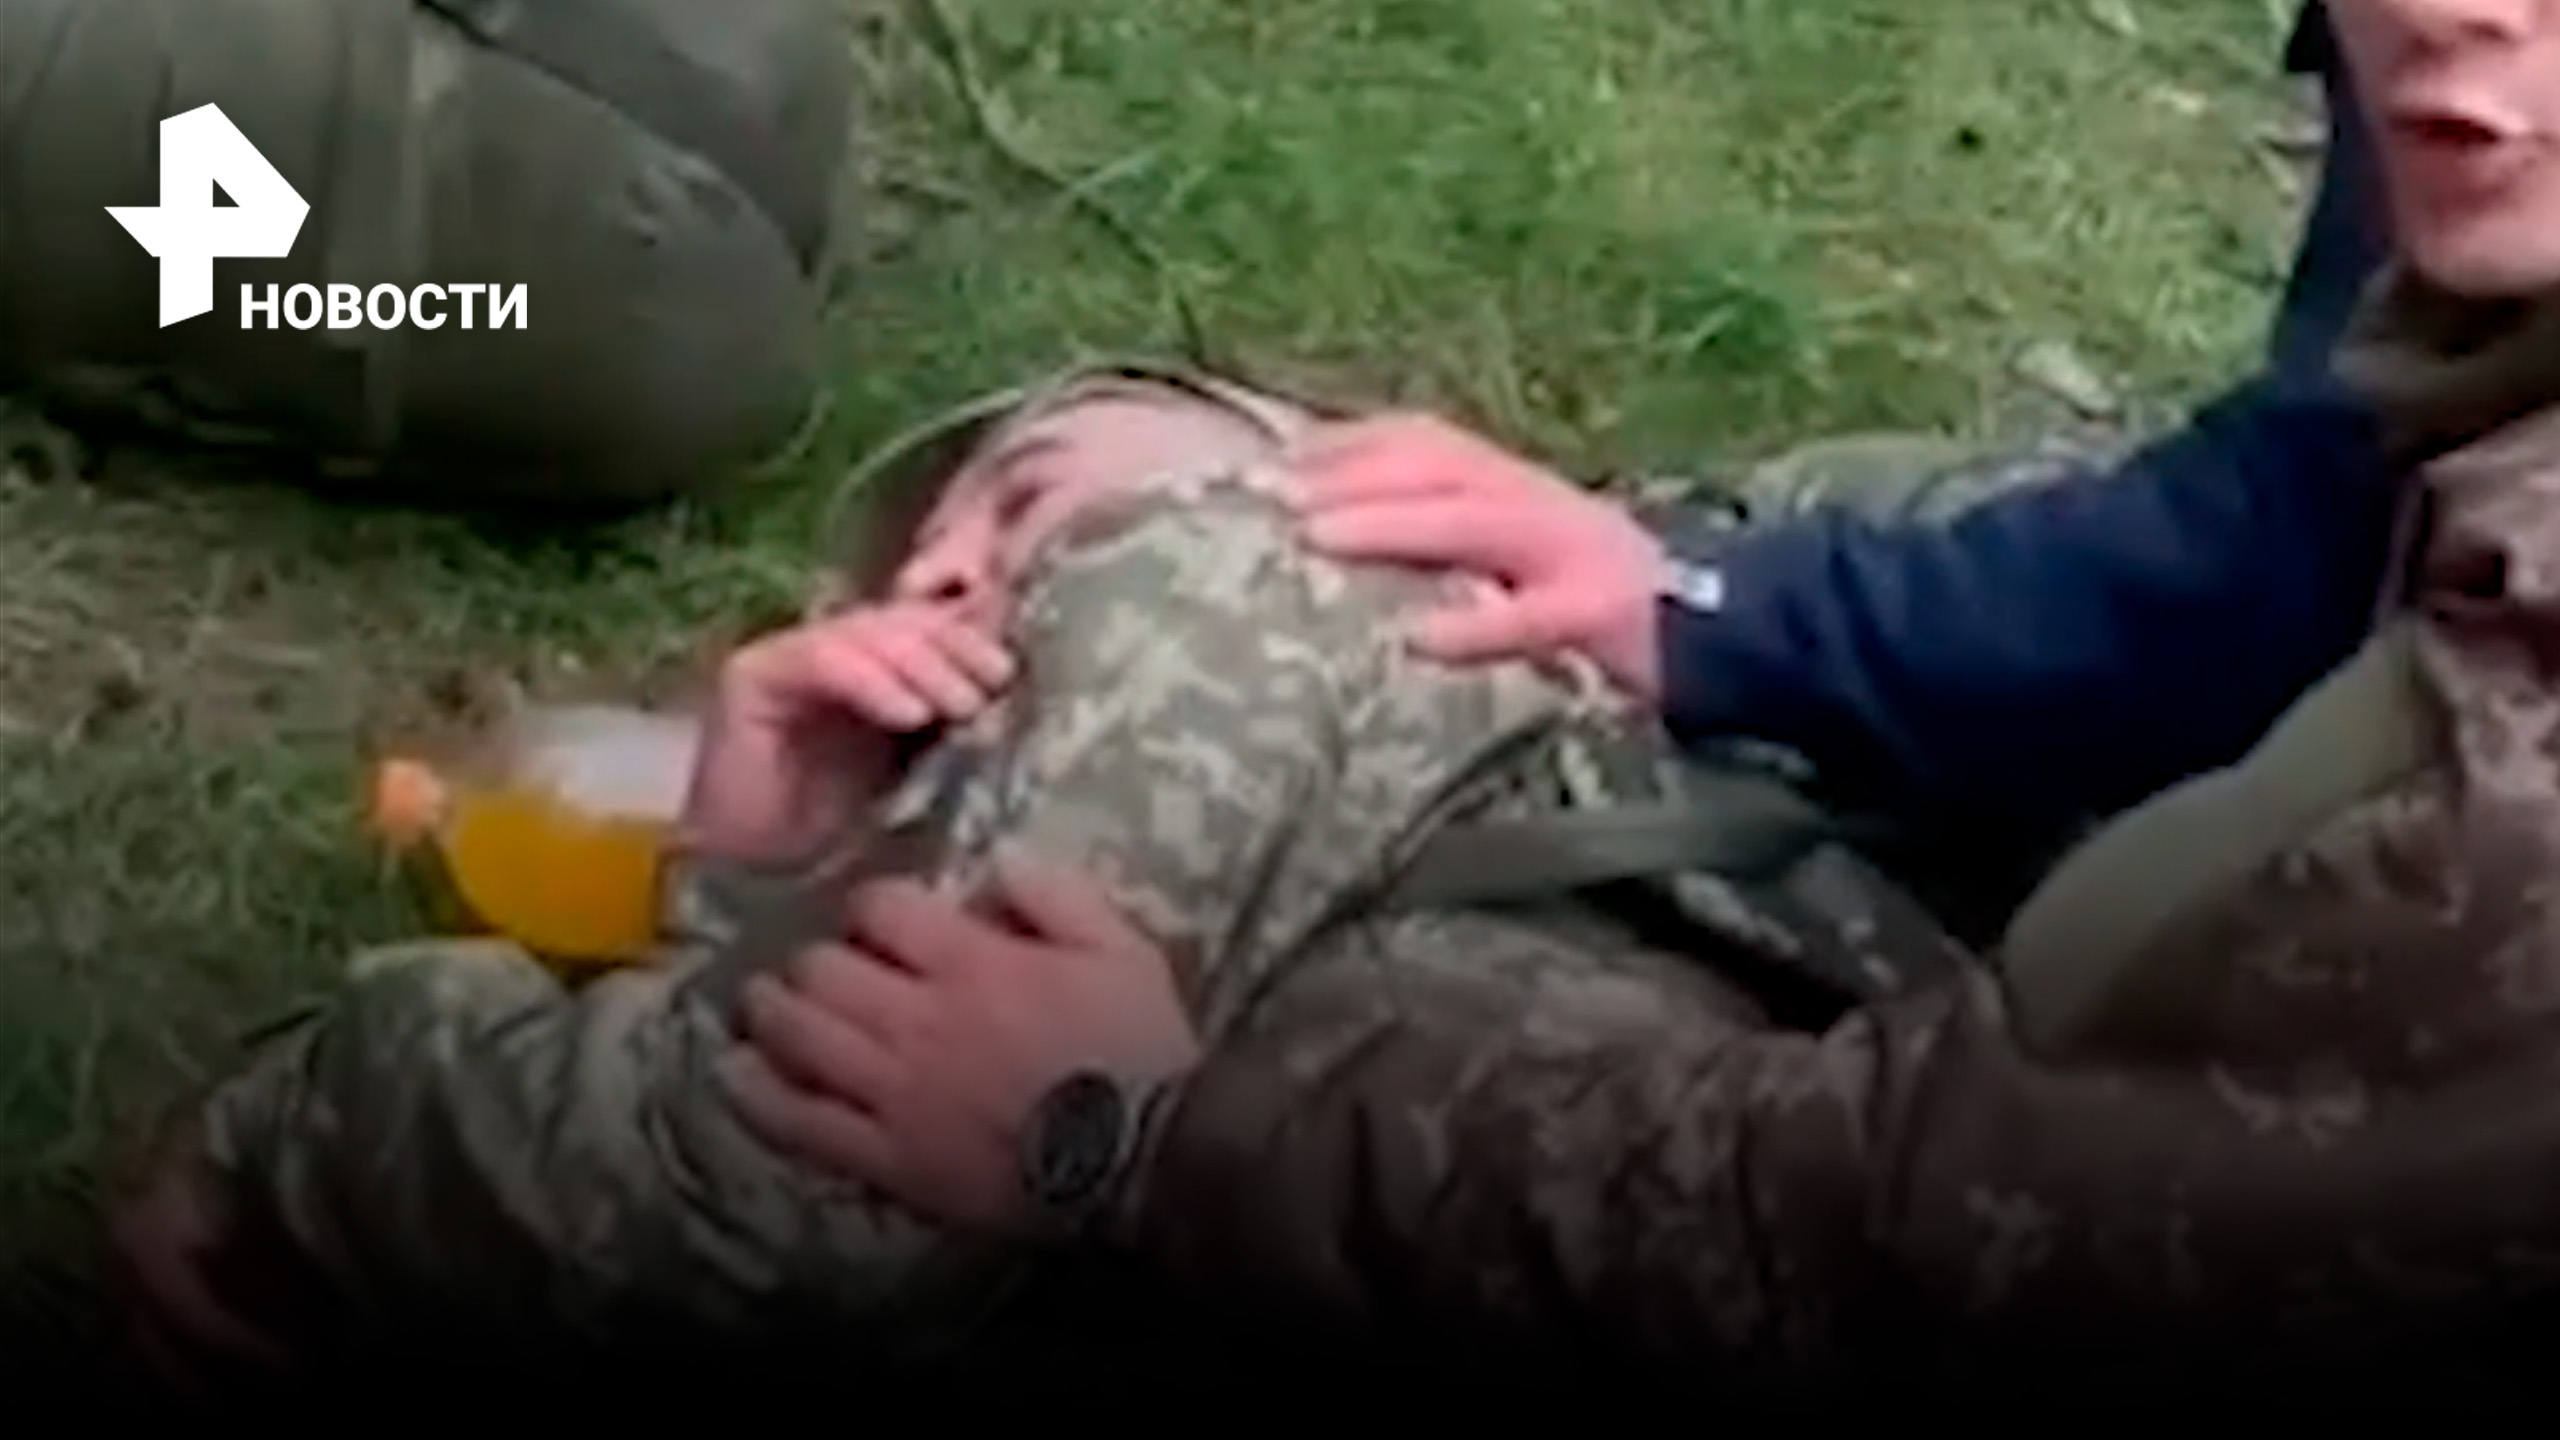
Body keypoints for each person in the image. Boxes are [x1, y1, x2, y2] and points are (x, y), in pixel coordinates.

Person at [727, 0, 2560, 1394]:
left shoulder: (2510, 794)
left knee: (1319, 1014)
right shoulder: (2505, 214)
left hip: (2045, 1176)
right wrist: (1704, 603)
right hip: (2224, 929)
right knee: (1841, 516)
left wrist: (1150, 1141)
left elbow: (1902, 1243)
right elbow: (2299, 518)